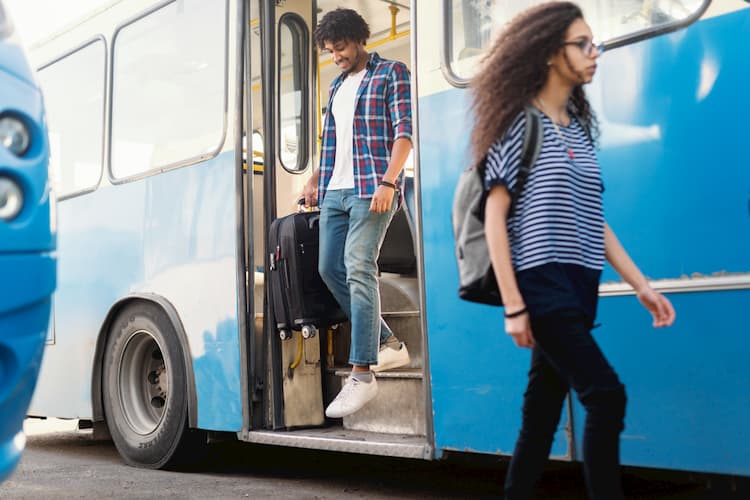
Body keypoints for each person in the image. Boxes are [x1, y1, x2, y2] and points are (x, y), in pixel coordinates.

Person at [472, 3, 676, 499]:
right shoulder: (519, 124)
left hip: (581, 286)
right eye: (582, 44)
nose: (594, 53)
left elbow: (594, 221)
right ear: (548, 53)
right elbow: (494, 219)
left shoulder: (580, 131)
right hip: (541, 284)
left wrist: (641, 286)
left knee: (541, 416)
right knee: (606, 396)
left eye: (595, 43)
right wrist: (515, 306)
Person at [304, 8, 412, 419]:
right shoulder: (335, 86)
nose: (337, 56)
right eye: (331, 51)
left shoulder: (391, 73)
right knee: (330, 268)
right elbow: (333, 140)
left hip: (372, 188)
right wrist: (316, 178)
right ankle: (388, 343)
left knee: (357, 264)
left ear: (359, 39)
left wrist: (389, 181)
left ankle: (363, 373)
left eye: (342, 47)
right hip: (334, 190)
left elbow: (405, 132)